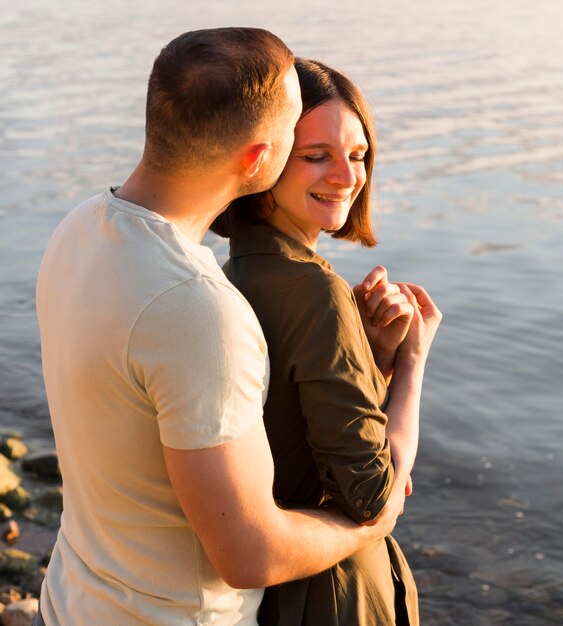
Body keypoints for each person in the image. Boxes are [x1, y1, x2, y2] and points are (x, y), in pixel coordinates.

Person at [35, 30, 404, 626]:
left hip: (69, 603)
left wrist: (364, 358)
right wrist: (371, 523)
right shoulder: (198, 309)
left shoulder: (79, 230)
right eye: (296, 140)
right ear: (260, 160)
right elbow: (250, 554)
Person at [211, 59, 442, 625]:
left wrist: (371, 357)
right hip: (333, 592)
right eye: (316, 156)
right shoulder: (315, 291)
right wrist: (412, 361)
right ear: (261, 162)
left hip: (276, 597)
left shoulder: (233, 272)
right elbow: (371, 496)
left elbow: (298, 431)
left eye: (358, 156)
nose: (347, 176)